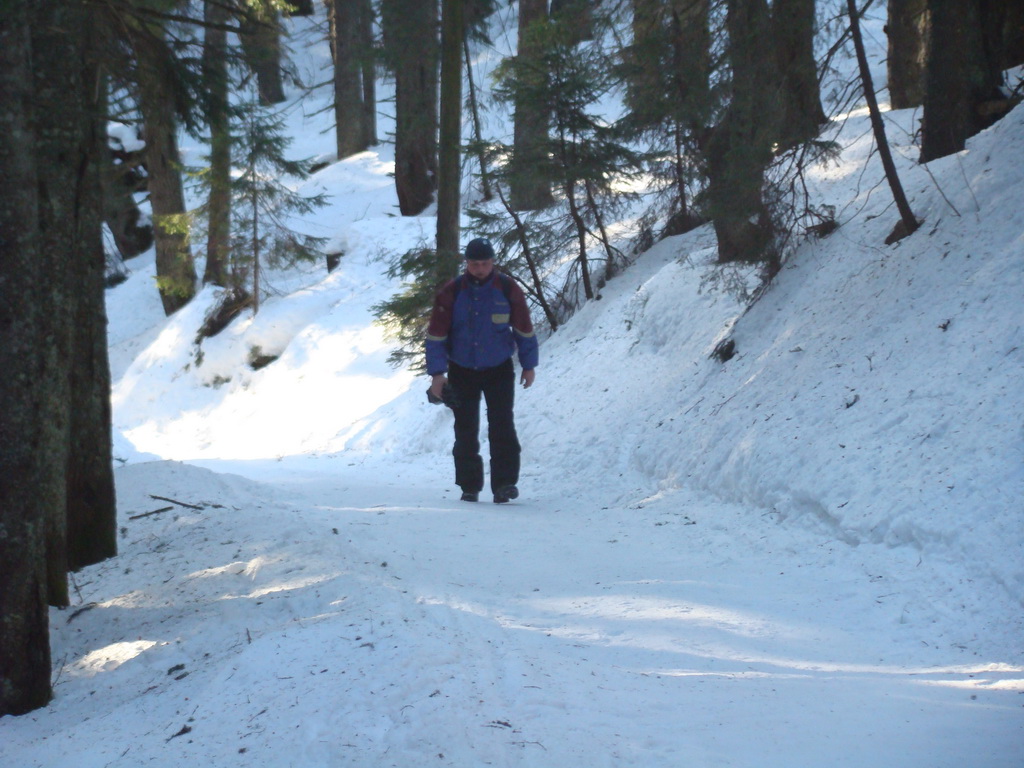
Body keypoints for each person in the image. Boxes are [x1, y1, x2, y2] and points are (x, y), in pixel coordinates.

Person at [426, 238, 539, 503]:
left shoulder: (508, 289)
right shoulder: (451, 292)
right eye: (475, 263)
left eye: (485, 263)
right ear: (467, 263)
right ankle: (469, 485)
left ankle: (504, 484)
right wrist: (437, 375)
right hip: (462, 369)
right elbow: (436, 336)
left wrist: (529, 365)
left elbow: (523, 328)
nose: (480, 268)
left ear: (492, 263)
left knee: (502, 426)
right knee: (465, 428)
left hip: (499, 368)